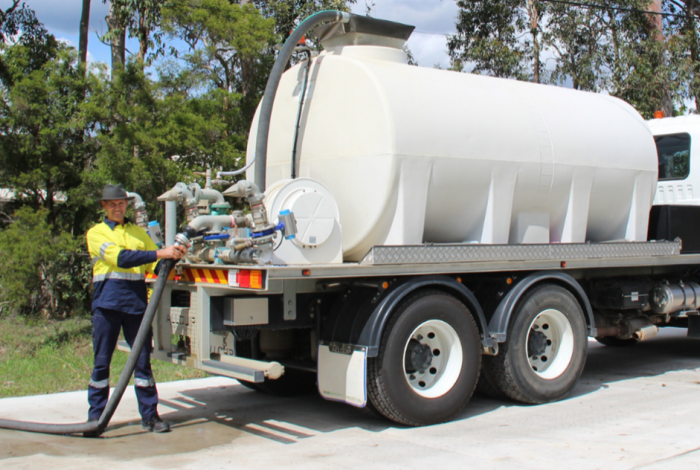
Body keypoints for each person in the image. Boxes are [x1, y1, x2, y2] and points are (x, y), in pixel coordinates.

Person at [85, 184, 188, 436]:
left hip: (135, 306)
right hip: (106, 306)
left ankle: (151, 417)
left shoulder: (137, 233)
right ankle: (95, 418)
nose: (117, 207)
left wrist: (173, 255)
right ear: (104, 207)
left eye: (121, 203)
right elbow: (120, 258)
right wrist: (158, 251)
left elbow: (154, 265)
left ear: (126, 205)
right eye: (112, 204)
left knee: (142, 365)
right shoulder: (95, 233)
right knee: (101, 365)